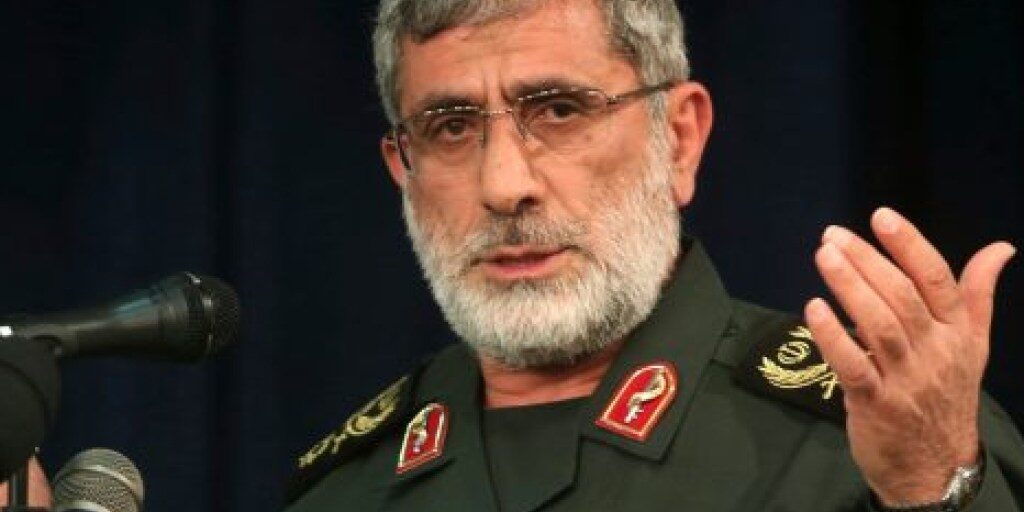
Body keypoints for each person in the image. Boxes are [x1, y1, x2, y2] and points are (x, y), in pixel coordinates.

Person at [285, 0, 1024, 510]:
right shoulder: (345, 487)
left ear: (679, 138)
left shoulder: (885, 433)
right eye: (450, 127)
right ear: (403, 169)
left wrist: (929, 490)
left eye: (560, 110)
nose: (504, 185)